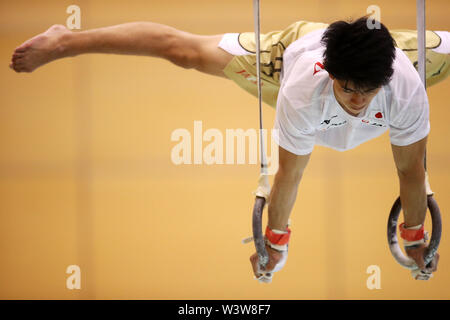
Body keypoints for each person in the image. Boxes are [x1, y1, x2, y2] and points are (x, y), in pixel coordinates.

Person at [10, 17, 449, 281]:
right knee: (182, 51)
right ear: (332, 74)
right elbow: (290, 174)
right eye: (347, 88)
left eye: (366, 91)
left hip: (395, 54)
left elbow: (411, 171)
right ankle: (65, 40)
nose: (356, 100)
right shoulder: (301, 92)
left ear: (384, 81)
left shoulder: (403, 85)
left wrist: (414, 233)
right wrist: (276, 239)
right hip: (285, 59)